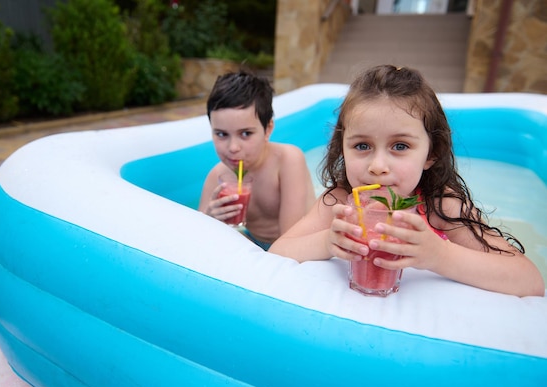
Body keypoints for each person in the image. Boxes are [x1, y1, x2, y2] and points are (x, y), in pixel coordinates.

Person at [269, 64, 544, 297]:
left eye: (400, 146)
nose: (377, 167)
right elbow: (278, 252)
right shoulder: (340, 203)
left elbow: (529, 281)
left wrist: (440, 256)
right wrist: (327, 242)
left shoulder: (441, 208)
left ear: (431, 154)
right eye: (362, 146)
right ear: (343, 148)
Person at [199, 70, 316, 250]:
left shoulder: (287, 161)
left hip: (298, 246)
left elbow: (289, 241)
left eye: (245, 134)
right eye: (221, 134)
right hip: (255, 243)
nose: (233, 147)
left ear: (268, 129)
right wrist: (210, 219)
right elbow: (196, 237)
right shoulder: (218, 177)